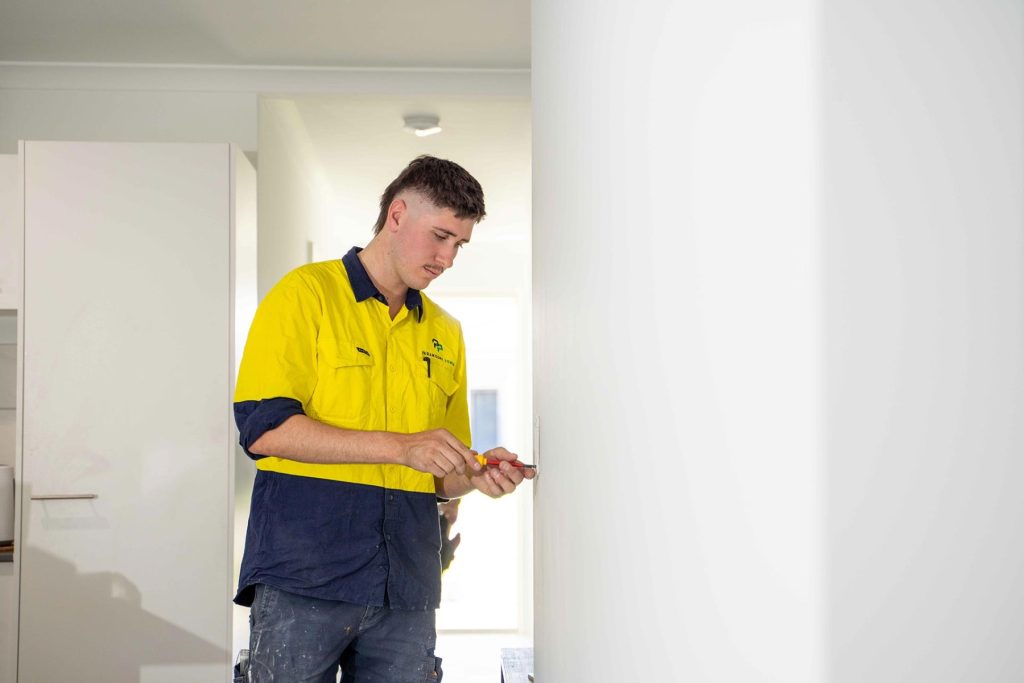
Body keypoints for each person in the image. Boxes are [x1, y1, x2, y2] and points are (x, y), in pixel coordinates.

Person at [232, 155, 534, 682]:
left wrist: (476, 474)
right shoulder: (306, 295)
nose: (448, 258)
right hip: (306, 575)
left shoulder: (445, 332)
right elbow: (264, 429)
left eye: (459, 244)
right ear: (396, 215)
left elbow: (440, 475)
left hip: (408, 583)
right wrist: (401, 446)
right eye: (440, 236)